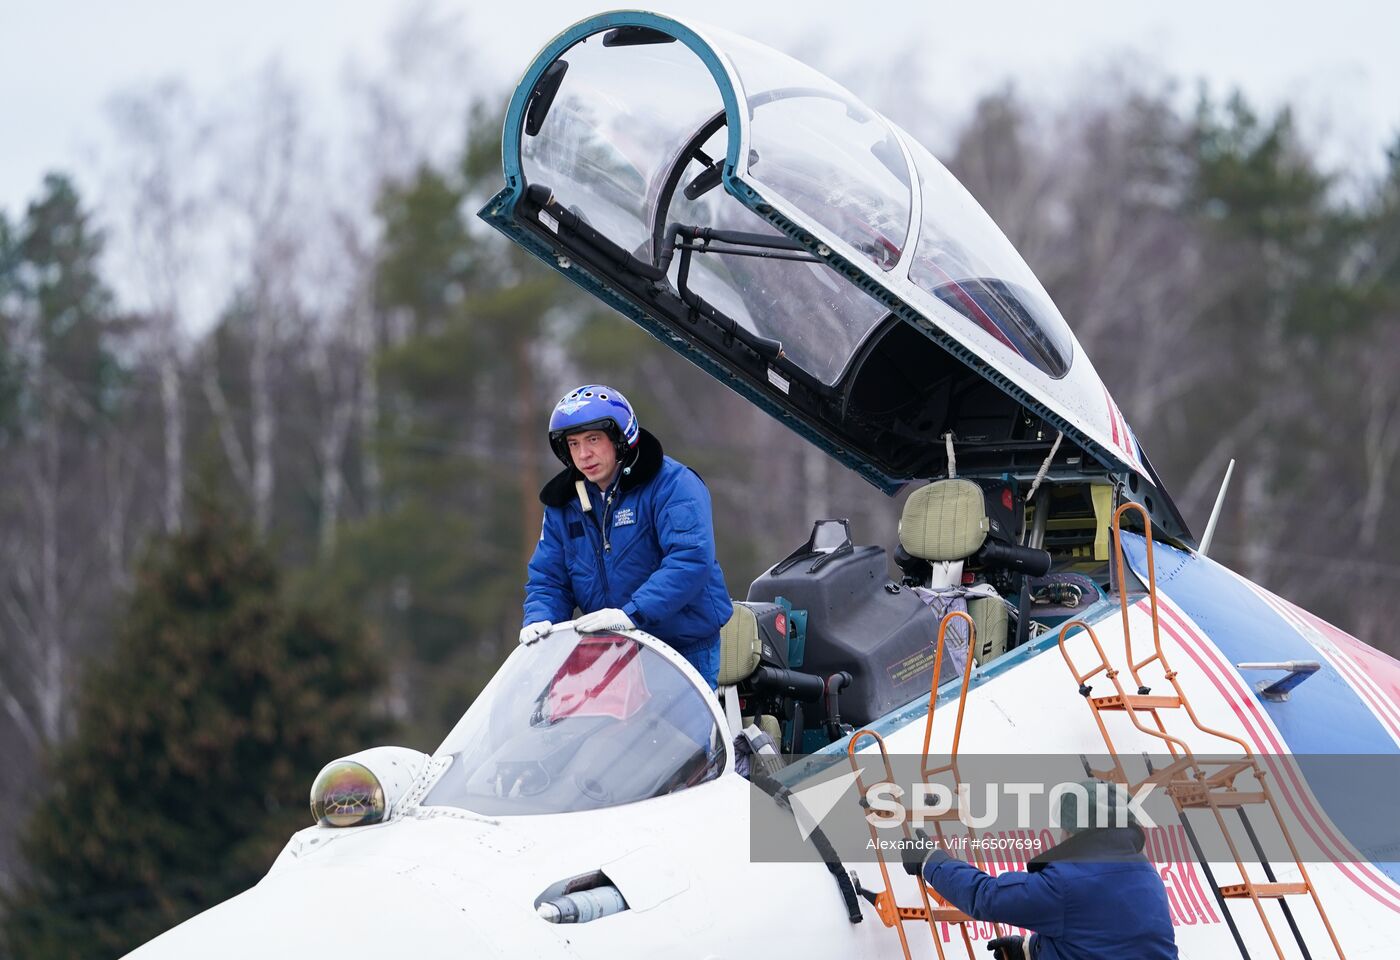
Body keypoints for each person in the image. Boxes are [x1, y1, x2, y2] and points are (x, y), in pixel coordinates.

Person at [520, 384, 731, 688]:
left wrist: (632, 614)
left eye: (593, 439)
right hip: (611, 652)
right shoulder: (562, 505)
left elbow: (690, 559)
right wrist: (541, 618)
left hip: (682, 647)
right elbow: (549, 577)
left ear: (620, 438)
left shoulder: (673, 484)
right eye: (574, 444)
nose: (584, 454)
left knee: (681, 738)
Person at [904, 780, 1178, 960]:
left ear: (1073, 830)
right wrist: (1029, 950)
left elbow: (985, 896)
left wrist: (930, 860)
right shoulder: (1146, 875)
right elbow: (1096, 940)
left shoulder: (1066, 883)